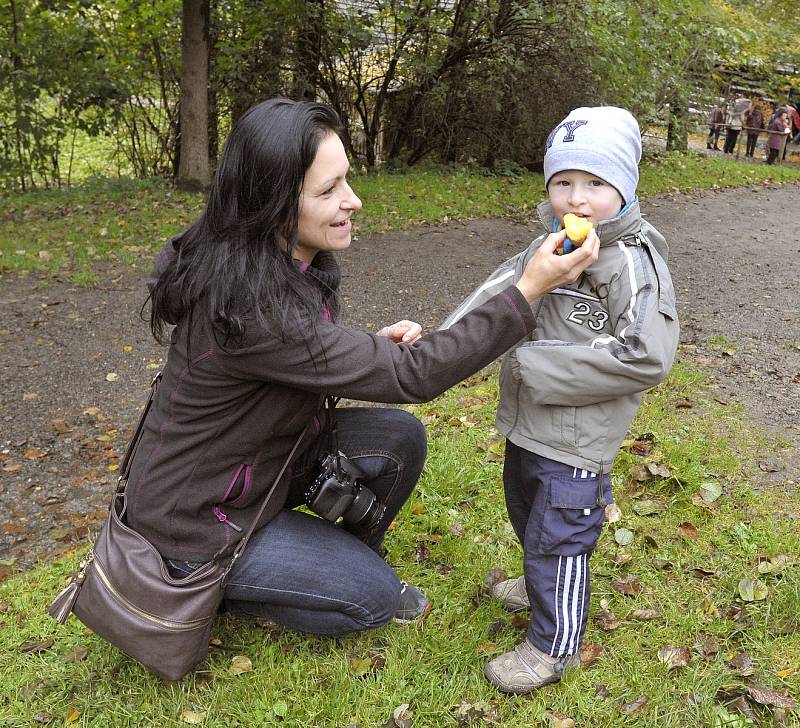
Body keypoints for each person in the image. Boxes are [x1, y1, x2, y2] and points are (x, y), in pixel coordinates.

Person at [134, 98, 598, 641]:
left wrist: (358, 349)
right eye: (327, 191)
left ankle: (315, 560)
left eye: (346, 181)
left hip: (261, 468)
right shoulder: (248, 304)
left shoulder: (277, 263)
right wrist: (530, 288)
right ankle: (227, 584)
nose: (351, 201)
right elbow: (413, 375)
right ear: (272, 203)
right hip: (197, 521)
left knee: (397, 436)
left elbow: (289, 361)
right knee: (376, 600)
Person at [441, 107, 679, 694]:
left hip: (578, 436)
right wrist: (445, 338)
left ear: (625, 188)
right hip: (530, 423)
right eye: (563, 182)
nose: (577, 198)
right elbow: (502, 287)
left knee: (562, 533)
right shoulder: (550, 243)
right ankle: (538, 580)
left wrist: (534, 365)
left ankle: (554, 646)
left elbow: (647, 355)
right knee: (526, 509)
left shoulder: (631, 262)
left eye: (596, 184)